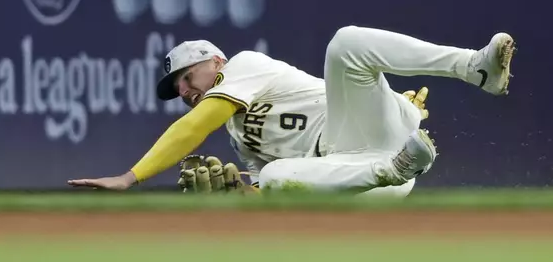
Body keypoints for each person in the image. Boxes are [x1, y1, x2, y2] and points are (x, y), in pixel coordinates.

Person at [68, 26, 515, 196]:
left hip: (358, 129)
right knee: (280, 176)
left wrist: (131, 177)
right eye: (177, 87)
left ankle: (474, 68)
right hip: (369, 180)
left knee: (345, 43)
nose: (184, 90)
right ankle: (393, 166)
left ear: (216, 63)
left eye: (187, 76)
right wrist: (239, 197)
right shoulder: (240, 138)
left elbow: (195, 125)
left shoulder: (244, 66)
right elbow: (274, 194)